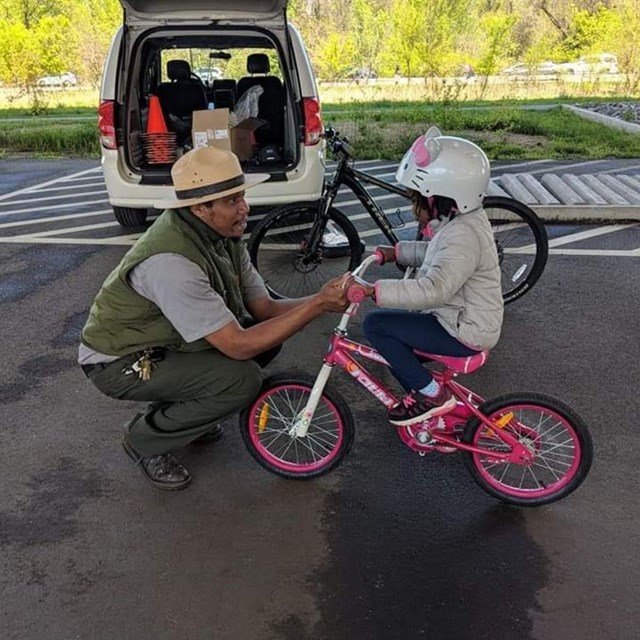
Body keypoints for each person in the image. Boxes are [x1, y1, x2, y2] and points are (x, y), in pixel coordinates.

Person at [79, 146, 349, 491]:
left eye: (241, 197)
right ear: (199, 208)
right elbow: (237, 346)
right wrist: (319, 305)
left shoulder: (222, 235)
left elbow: (263, 308)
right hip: (119, 361)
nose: (245, 209)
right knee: (241, 379)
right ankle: (145, 440)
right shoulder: (171, 262)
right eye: (232, 201)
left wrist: (323, 299)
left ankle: (190, 410)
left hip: (166, 344)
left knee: (264, 340)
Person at [352, 127, 503, 427]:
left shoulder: (462, 234)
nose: (413, 207)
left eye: (418, 199)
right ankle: (434, 410)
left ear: (442, 197)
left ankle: (433, 397)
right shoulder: (463, 221)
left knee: (377, 326)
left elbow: (434, 288)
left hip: (464, 330)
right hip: (461, 320)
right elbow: (439, 255)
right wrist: (400, 252)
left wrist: (372, 291)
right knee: (398, 358)